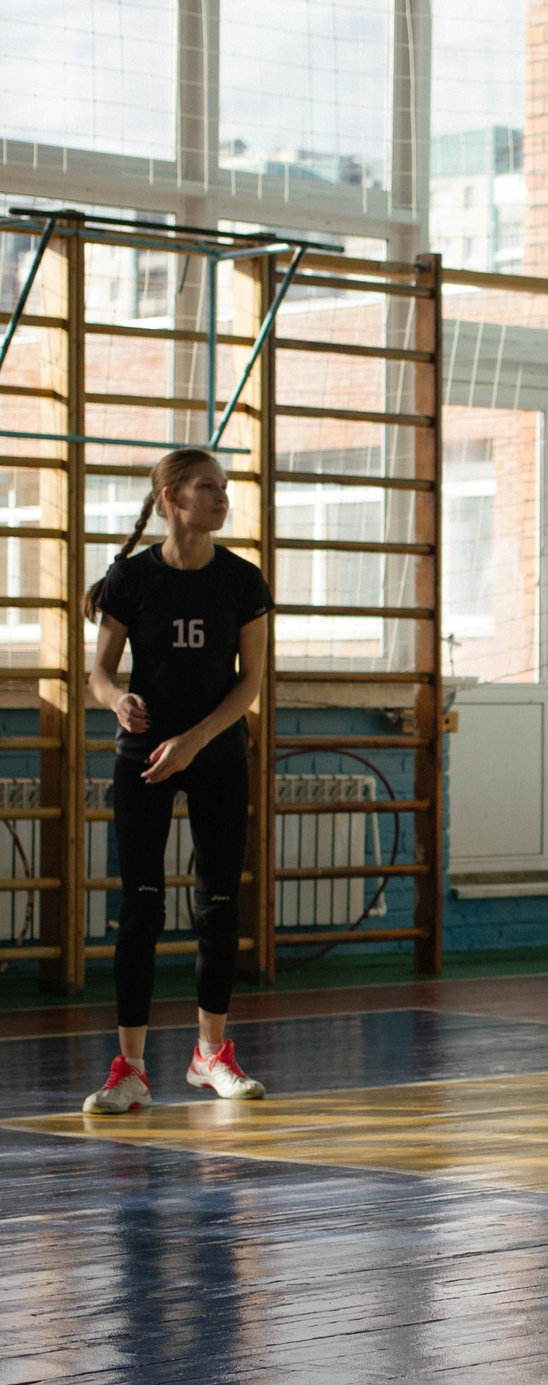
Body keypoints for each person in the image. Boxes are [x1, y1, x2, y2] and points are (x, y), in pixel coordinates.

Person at [79, 447, 273, 1115]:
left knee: (217, 906)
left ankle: (209, 1054)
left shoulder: (243, 581)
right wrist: (115, 701)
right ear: (171, 498)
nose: (222, 498)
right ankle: (128, 1070)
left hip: (214, 755)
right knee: (141, 908)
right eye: (207, 488)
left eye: (224, 488)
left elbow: (250, 683)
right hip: (144, 760)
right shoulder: (130, 580)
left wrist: (192, 742)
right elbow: (98, 673)